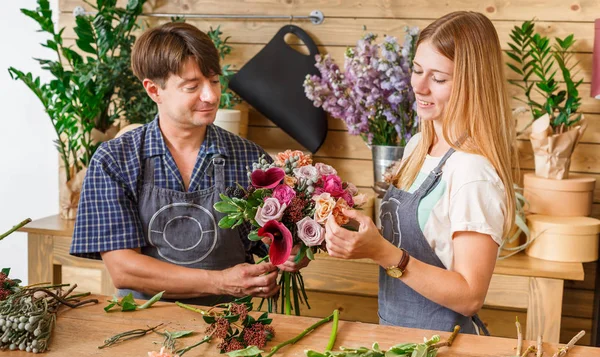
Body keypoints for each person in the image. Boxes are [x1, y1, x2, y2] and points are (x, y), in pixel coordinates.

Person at [70, 22, 307, 305]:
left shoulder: (248, 158)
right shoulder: (115, 160)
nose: (211, 96)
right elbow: (123, 269)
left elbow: (270, 246)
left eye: (215, 81)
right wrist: (220, 282)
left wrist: (291, 252)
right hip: (143, 322)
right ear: (153, 90)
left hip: (231, 327)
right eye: (192, 86)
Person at [325, 11, 517, 334]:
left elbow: (470, 295)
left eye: (438, 78)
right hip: (397, 339)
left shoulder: (472, 171)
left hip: (444, 350)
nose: (419, 86)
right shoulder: (417, 146)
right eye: (416, 70)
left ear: (474, 84)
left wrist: (382, 253)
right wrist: (352, 230)